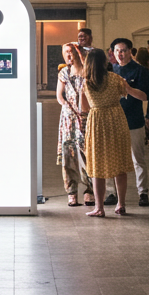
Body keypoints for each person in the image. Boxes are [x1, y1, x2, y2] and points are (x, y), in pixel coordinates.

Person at [79, 48, 134, 217]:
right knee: (119, 164)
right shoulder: (115, 78)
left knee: (97, 166)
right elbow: (126, 92)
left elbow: (84, 108)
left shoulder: (86, 83)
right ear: (104, 62)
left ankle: (99, 208)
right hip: (116, 120)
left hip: (97, 122)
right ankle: (121, 204)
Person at [107, 37, 149, 206]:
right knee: (111, 158)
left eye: (124, 50)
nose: (121, 54)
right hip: (113, 121)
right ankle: (111, 192)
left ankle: (143, 192)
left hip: (133, 120)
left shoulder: (140, 71)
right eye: (117, 51)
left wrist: (128, 88)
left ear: (130, 52)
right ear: (113, 52)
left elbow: (145, 96)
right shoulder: (110, 71)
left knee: (137, 158)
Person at [56, 42, 90, 206]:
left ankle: (89, 190)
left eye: (71, 52)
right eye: (65, 52)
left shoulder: (87, 71)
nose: (68, 55)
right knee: (68, 154)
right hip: (68, 119)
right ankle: (71, 192)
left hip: (85, 117)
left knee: (87, 154)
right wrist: (67, 106)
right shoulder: (64, 72)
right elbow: (59, 95)